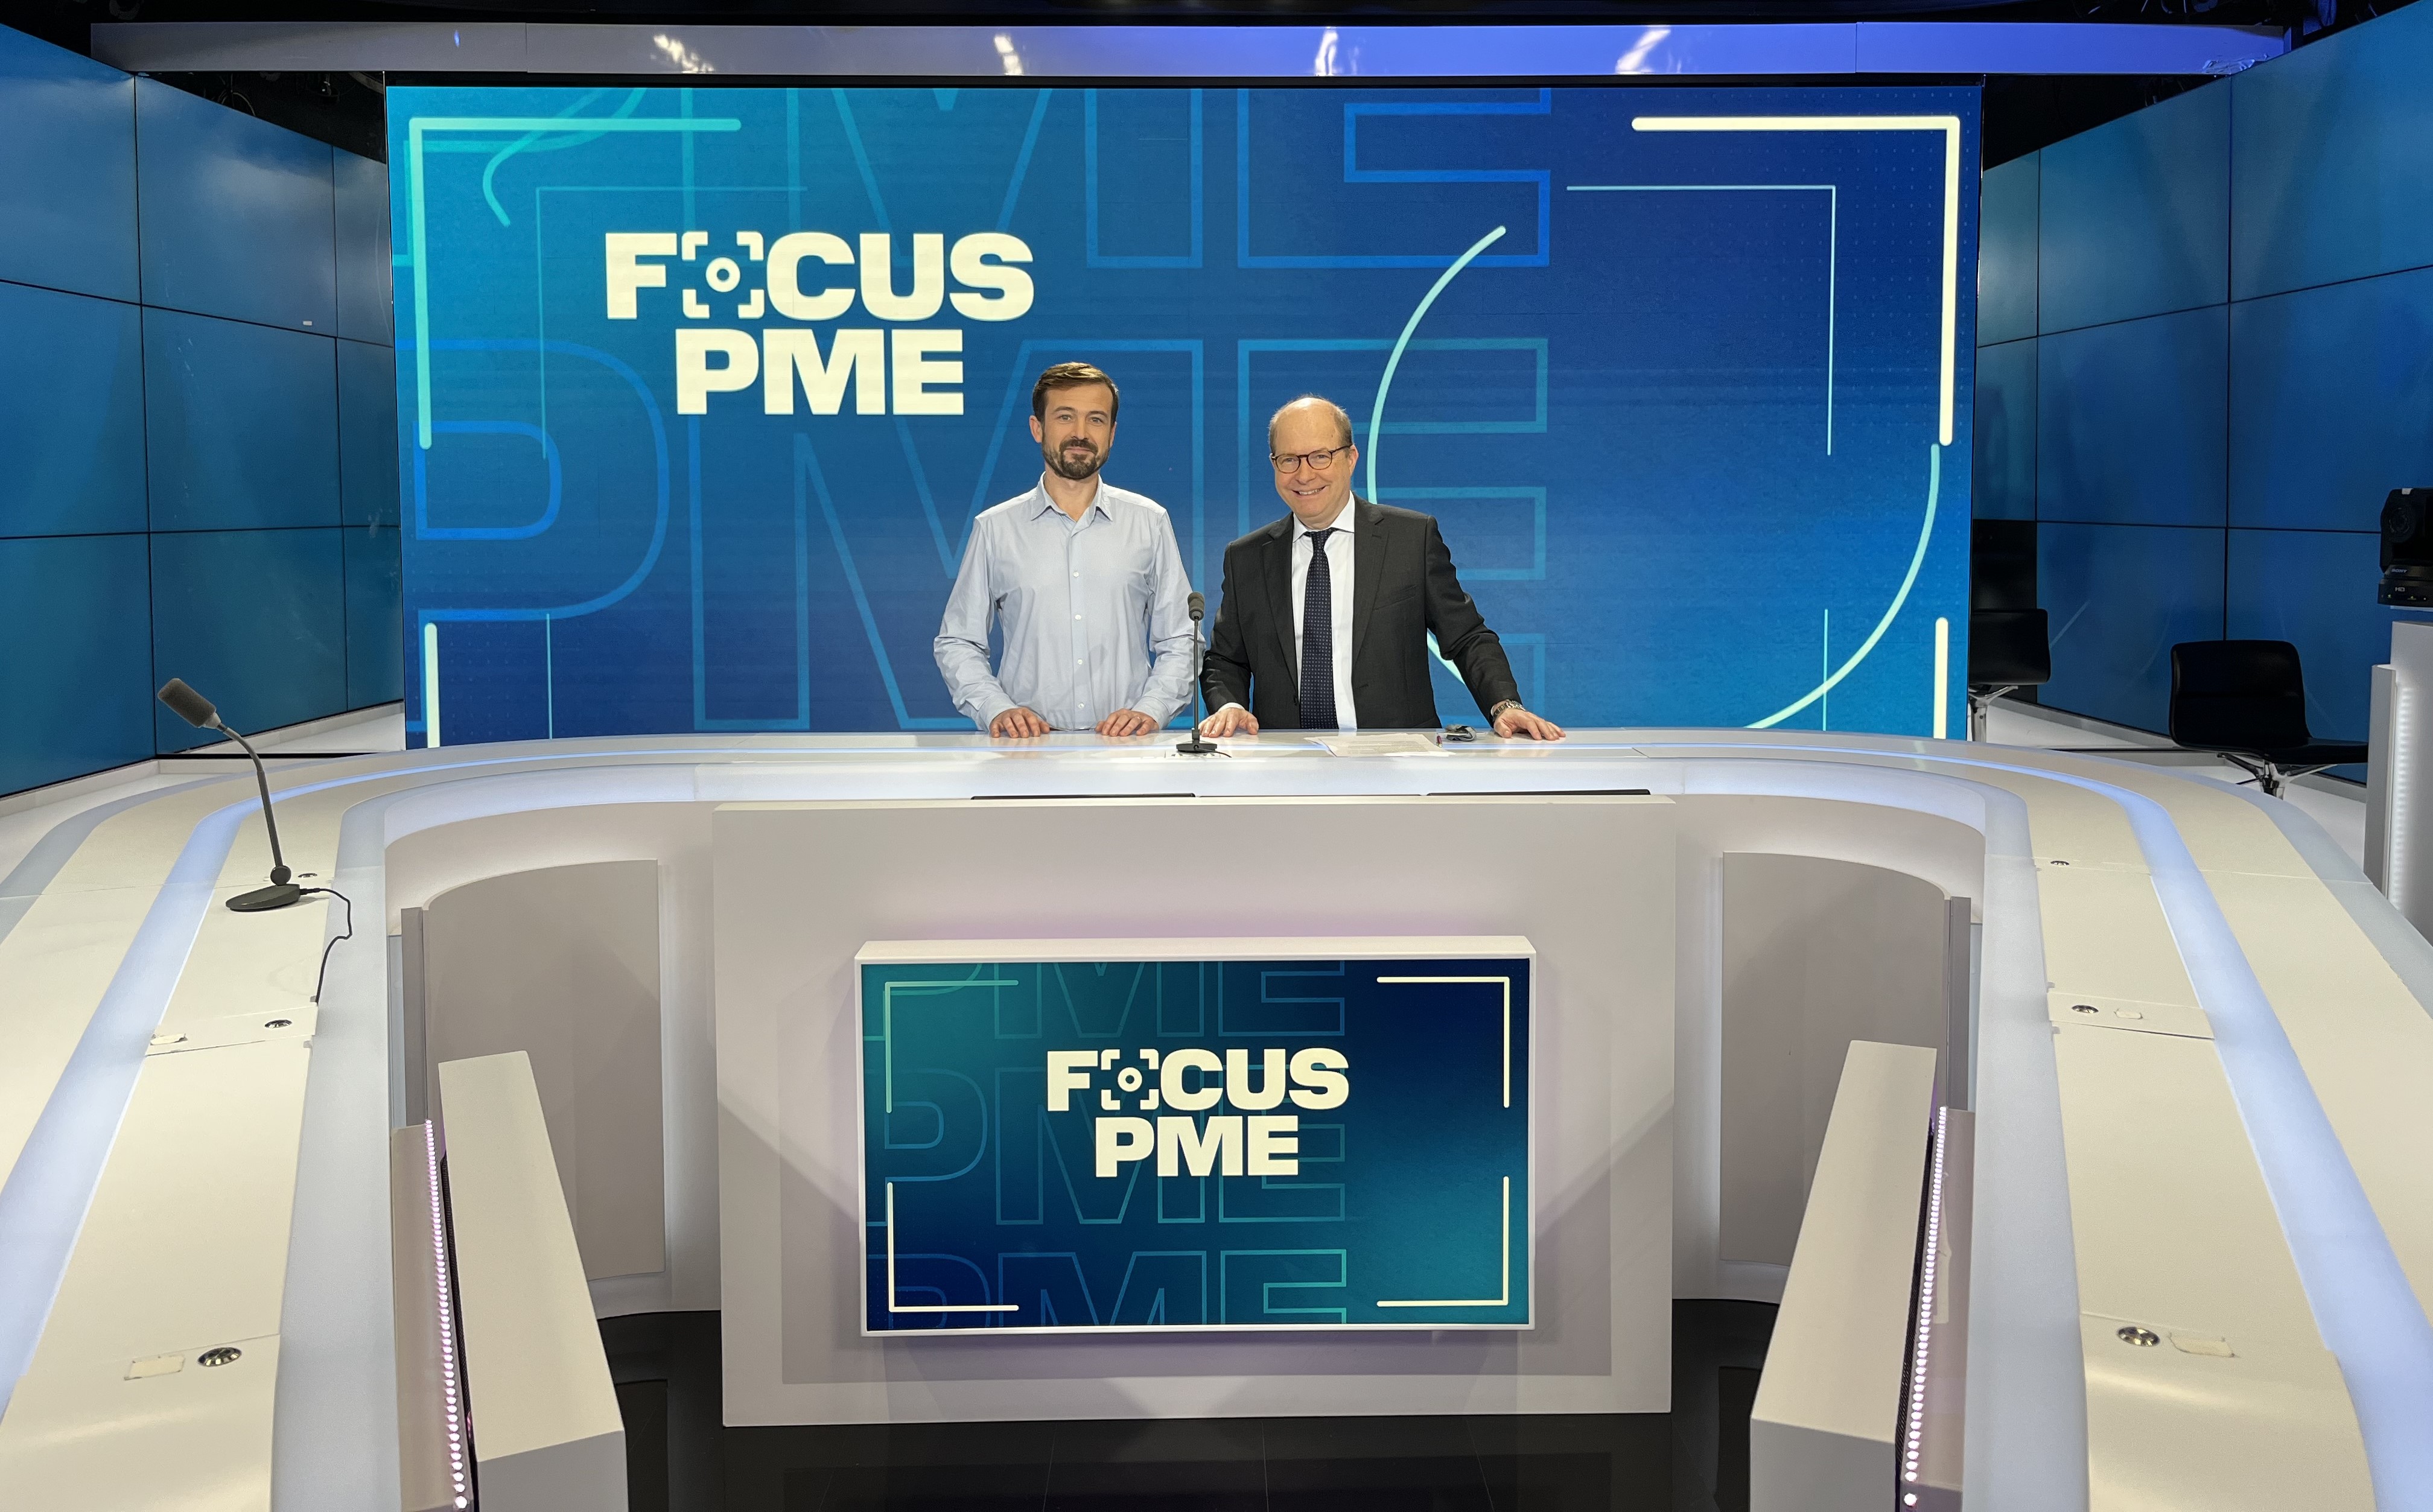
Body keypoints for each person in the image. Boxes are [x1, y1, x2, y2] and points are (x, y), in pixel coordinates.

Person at [1198, 396, 1564, 740]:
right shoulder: (1246, 557)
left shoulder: (1412, 539)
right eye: (1289, 460)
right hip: (1287, 759)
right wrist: (1230, 705)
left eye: (1321, 457)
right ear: (1274, 466)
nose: (1304, 475)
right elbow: (1225, 659)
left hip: (1398, 755)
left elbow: (1467, 637)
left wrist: (1504, 705)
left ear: (1351, 458)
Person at [935, 362, 1195, 737]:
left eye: (1096, 420)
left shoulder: (1149, 522)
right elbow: (959, 640)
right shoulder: (995, 528)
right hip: (1026, 750)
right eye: (1065, 417)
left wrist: (1152, 709)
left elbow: (1182, 638)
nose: (1080, 434)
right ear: (1037, 428)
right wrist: (996, 708)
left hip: (1126, 750)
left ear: (1112, 433)